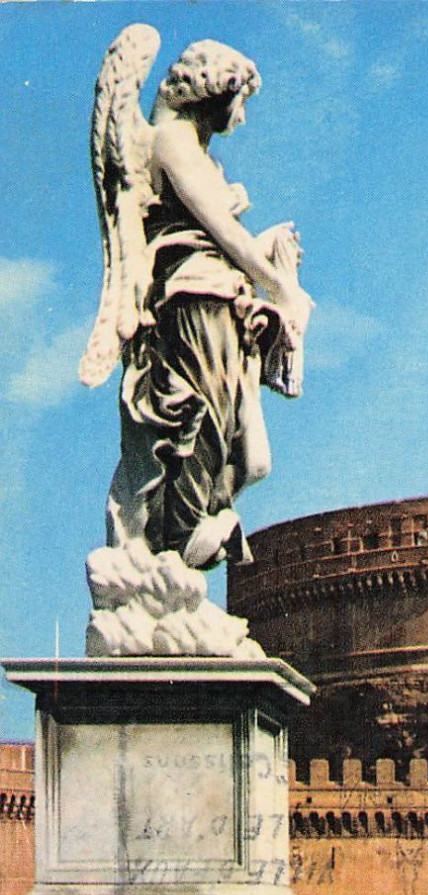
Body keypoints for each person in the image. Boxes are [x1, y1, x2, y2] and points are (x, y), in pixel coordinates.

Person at [84, 28, 313, 570]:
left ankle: (188, 535)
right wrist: (277, 284)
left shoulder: (197, 153)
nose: (243, 119)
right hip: (194, 303)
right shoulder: (168, 140)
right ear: (219, 93)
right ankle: (181, 538)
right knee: (199, 422)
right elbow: (217, 233)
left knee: (252, 459)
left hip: (224, 305)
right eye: (241, 103)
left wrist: (272, 260)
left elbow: (218, 240)